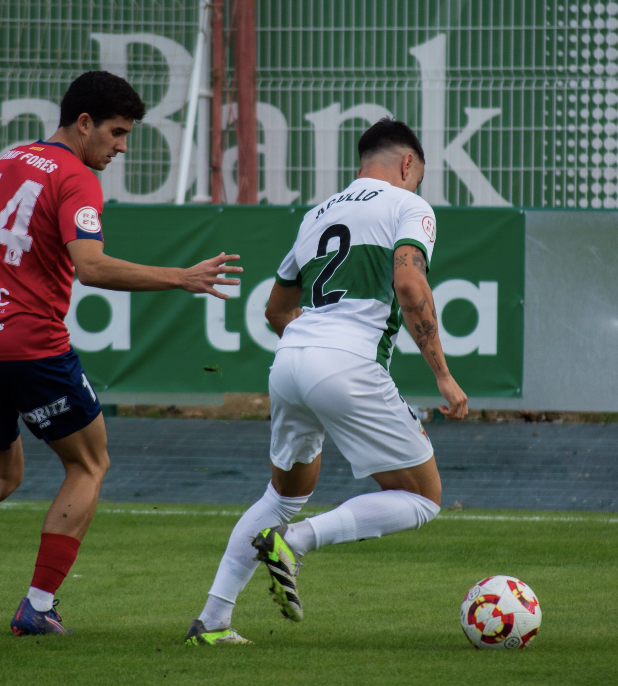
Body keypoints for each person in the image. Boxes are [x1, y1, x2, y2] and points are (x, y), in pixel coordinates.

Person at [0, 70, 242, 635]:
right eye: (115, 133)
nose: (120, 147)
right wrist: (180, 277)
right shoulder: (75, 176)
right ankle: (37, 607)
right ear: (83, 123)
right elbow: (91, 267)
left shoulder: (1, 163)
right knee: (88, 462)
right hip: (30, 341)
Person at [185, 117, 467, 645]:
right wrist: (444, 377)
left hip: (291, 360)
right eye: (418, 175)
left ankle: (213, 621)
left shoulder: (317, 215)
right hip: (347, 364)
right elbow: (409, 283)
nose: (417, 186)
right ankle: (295, 542)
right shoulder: (410, 206)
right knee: (423, 498)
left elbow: (275, 310)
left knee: (282, 494)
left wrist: (312, 350)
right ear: (408, 164)